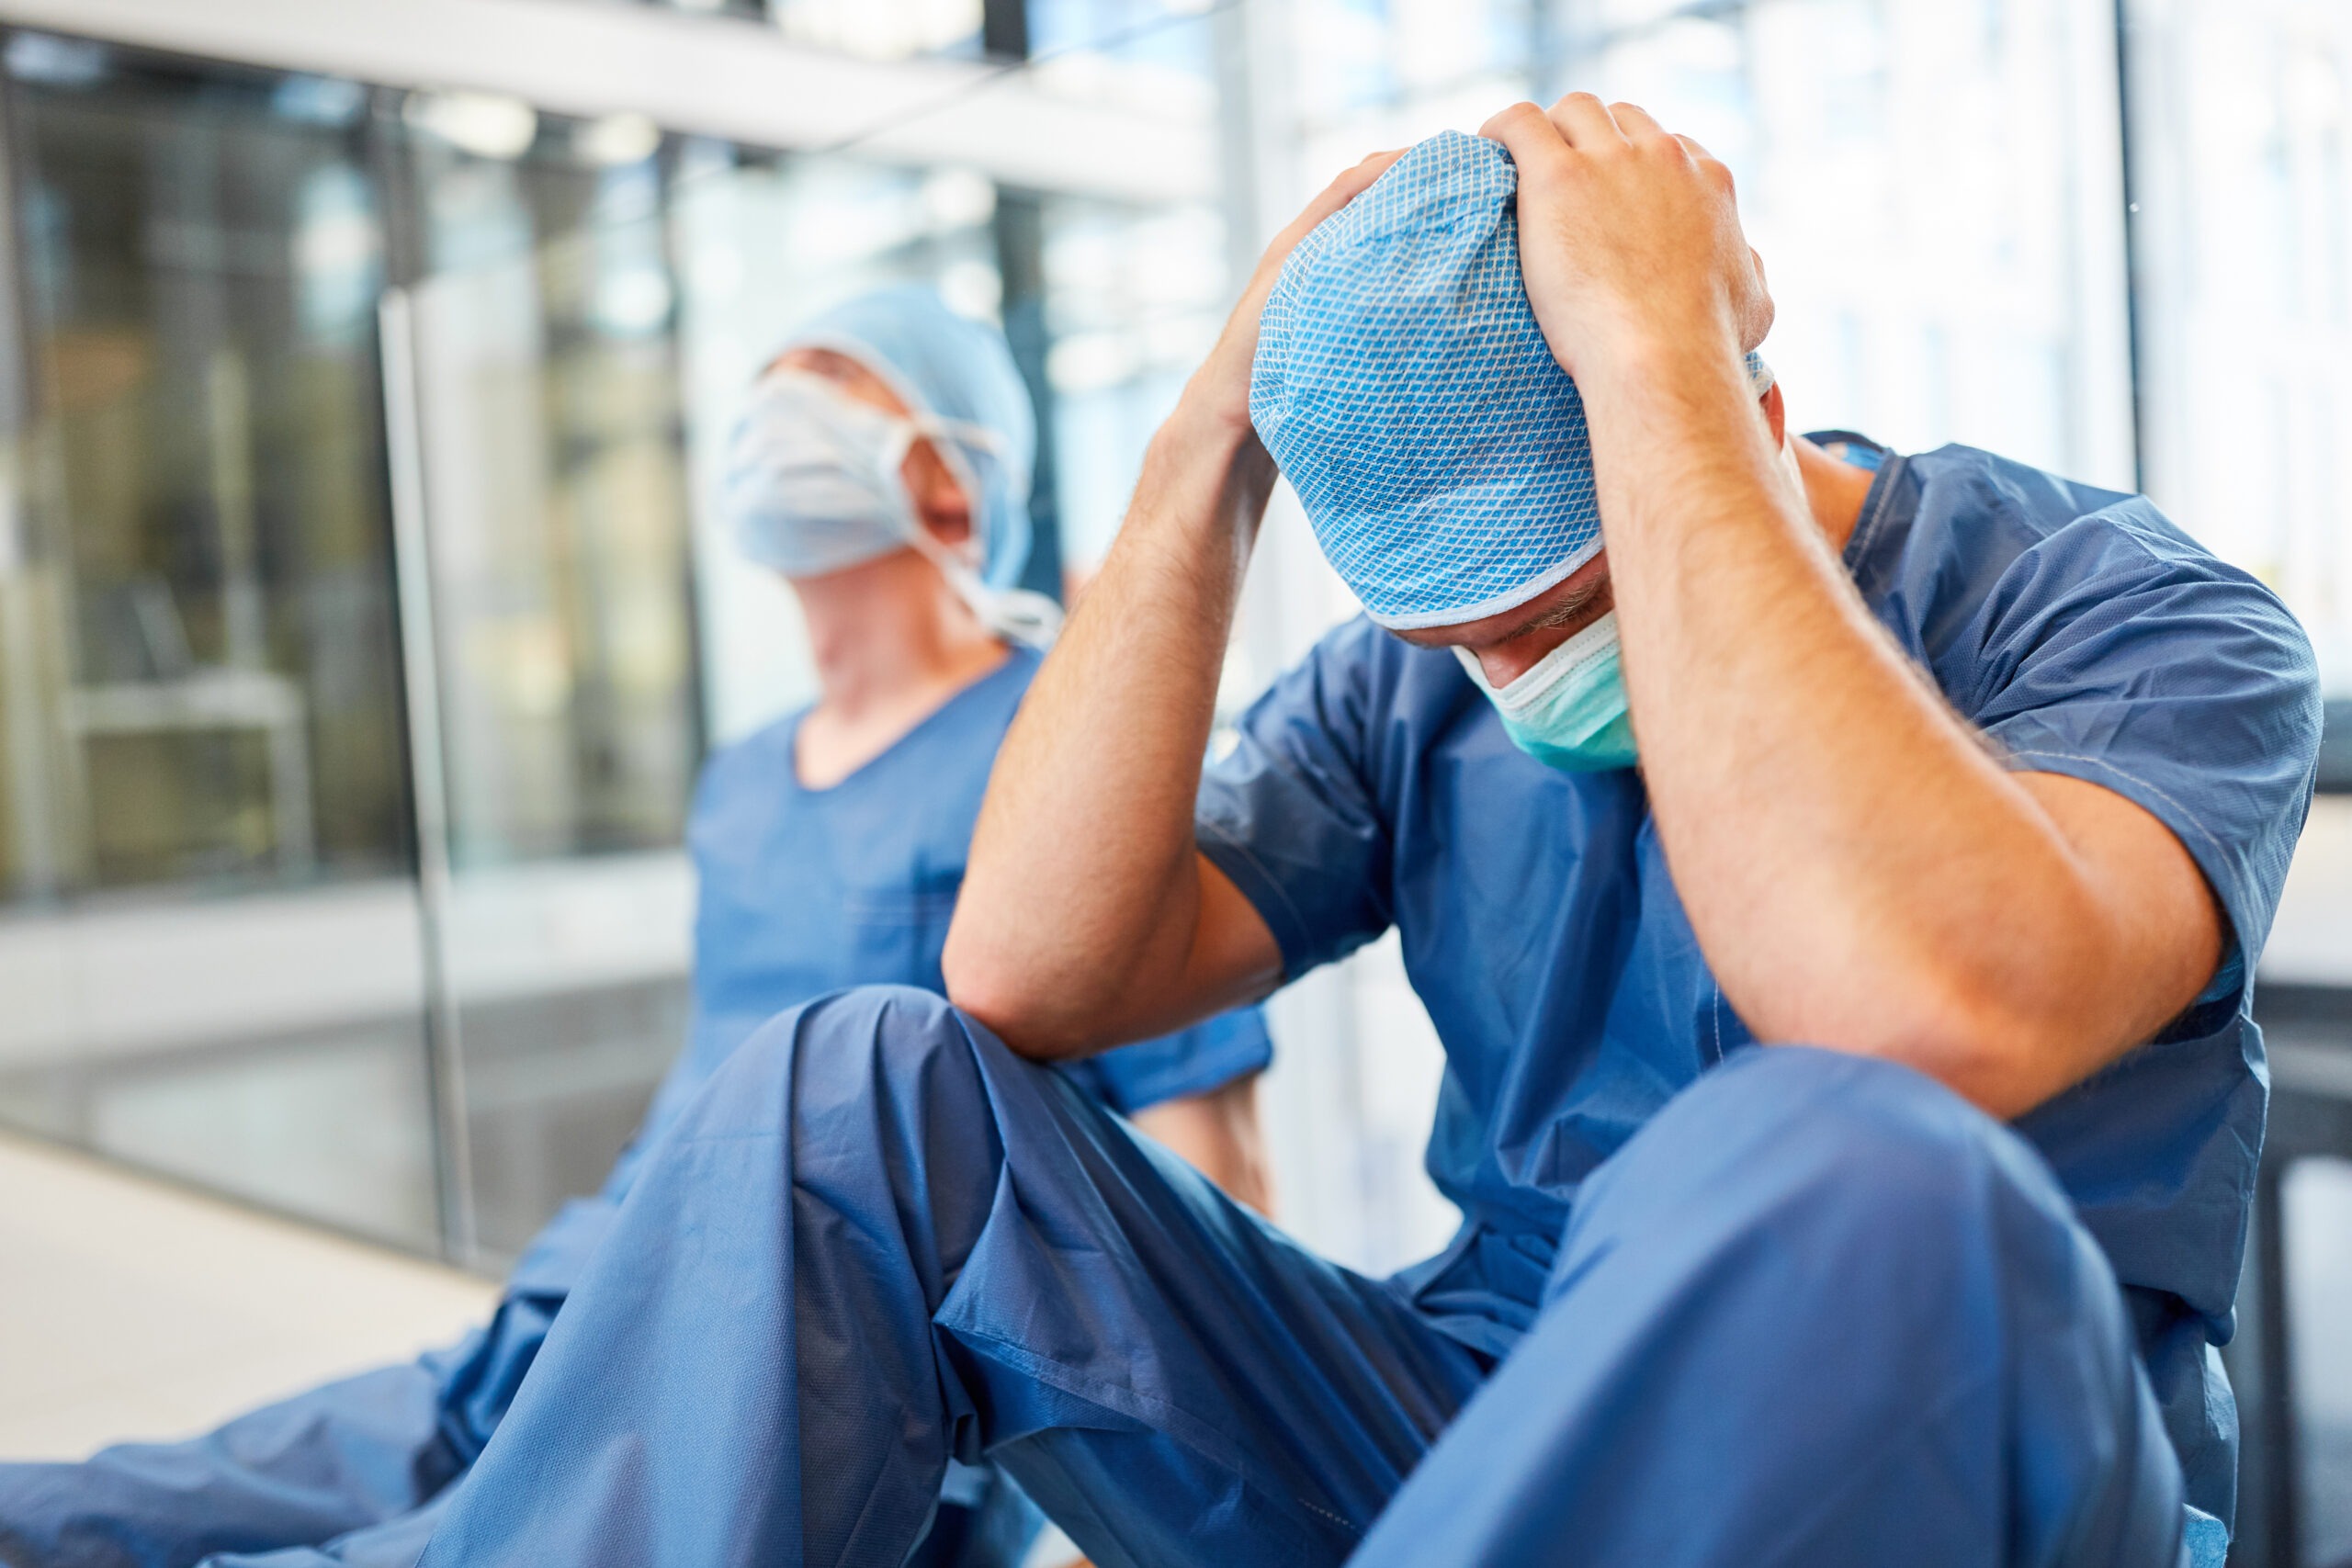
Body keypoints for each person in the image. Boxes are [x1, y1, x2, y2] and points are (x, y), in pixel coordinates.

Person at [401, 101, 2320, 1568]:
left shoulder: (2119, 615)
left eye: (1558, 605)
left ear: (1756, 410)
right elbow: (1028, 973)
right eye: (1454, 630)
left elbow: (1915, 1015)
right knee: (865, 1086)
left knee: (1834, 1143)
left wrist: (1654, 370)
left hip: (1951, 1444)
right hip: (1485, 1429)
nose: (1507, 671)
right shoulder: (1408, 698)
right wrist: (1199, 452)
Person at [0, 288, 1272, 1568]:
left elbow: (1201, 1169)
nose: (781, 411)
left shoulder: (1060, 762)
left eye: (836, 378)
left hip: (804, 1381)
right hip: (588, 1299)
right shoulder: (742, 781)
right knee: (107, 1506)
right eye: (774, 377)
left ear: (957, 483)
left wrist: (1110, 1527)